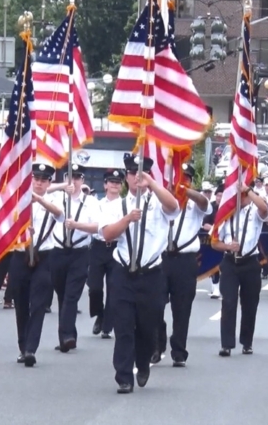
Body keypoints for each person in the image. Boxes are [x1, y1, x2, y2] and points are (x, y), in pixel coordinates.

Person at [99, 154, 178, 394]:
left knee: (147, 326)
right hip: (123, 273)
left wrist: (153, 185)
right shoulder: (116, 206)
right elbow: (107, 234)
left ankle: (143, 362)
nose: (137, 178)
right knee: (123, 327)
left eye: (141, 173)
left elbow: (173, 207)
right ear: (126, 177)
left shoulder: (157, 202)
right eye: (133, 174)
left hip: (151, 274)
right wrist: (127, 219)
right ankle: (123, 376)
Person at [154, 162, 211, 367]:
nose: (180, 181)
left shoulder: (194, 204)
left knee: (182, 308)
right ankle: (157, 343)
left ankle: (178, 351)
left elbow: (205, 203)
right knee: (155, 304)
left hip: (185, 261)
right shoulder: (160, 201)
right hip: (161, 259)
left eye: (185, 178)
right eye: (178, 177)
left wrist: (184, 190)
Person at [10, 162, 64, 368]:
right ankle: (23, 346)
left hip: (45, 256)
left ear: (49, 182)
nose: (39, 183)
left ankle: (31, 348)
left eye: (44, 180)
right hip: (20, 255)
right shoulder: (17, 200)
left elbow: (60, 215)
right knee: (21, 304)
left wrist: (39, 200)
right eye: (36, 179)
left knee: (39, 304)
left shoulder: (52, 199)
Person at [213, 179, 268, 356]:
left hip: (250, 262)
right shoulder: (225, 214)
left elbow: (265, 209)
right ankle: (226, 344)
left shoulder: (255, 211)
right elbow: (214, 242)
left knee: (250, 304)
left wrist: (249, 190)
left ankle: (247, 342)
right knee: (228, 302)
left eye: (244, 194)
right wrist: (228, 247)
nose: (241, 197)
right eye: (238, 194)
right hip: (230, 262)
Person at [50, 164, 97, 352]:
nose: (74, 181)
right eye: (70, 177)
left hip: (79, 252)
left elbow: (97, 226)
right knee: (62, 294)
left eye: (77, 178)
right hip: (58, 251)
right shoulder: (57, 196)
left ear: (83, 181)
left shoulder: (91, 202)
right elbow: (39, 190)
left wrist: (77, 225)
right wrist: (61, 186)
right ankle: (66, 335)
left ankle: (67, 334)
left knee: (71, 295)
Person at [82, 169, 124, 339]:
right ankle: (99, 314)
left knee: (114, 288)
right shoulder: (96, 204)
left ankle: (107, 325)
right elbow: (93, 225)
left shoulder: (125, 205)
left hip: (116, 247)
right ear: (105, 185)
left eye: (118, 182)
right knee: (95, 287)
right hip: (99, 246)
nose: (114, 185)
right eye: (111, 181)